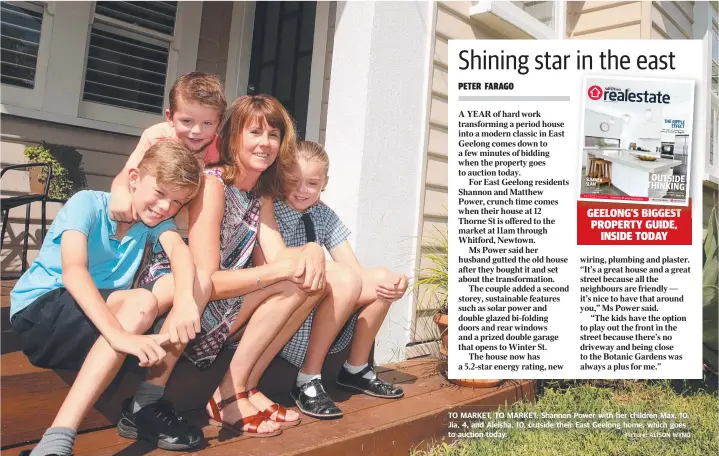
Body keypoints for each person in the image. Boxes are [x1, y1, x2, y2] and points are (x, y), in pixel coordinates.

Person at [137, 94, 326, 438]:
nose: (265, 143)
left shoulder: (260, 194)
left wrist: (311, 250)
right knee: (291, 281)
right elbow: (207, 282)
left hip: (224, 305)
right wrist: (280, 271)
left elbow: (280, 254)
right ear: (233, 137)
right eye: (254, 133)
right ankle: (227, 395)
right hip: (185, 311)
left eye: (273, 135)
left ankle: (247, 387)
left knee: (311, 283)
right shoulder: (213, 185)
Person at [10, 140, 207, 456]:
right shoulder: (87, 203)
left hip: (93, 321)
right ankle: (55, 443)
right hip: (42, 313)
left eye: (177, 202)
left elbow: (180, 253)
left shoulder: (152, 223)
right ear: (133, 179)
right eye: (159, 193)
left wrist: (185, 299)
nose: (165, 207)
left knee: (192, 282)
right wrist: (119, 336)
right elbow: (74, 271)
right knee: (142, 301)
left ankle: (146, 401)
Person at [269, 140, 409, 418]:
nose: (301, 190)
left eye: (312, 182)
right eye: (293, 180)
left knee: (383, 279)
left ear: (324, 183)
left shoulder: (322, 214)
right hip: (287, 309)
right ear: (281, 176)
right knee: (344, 279)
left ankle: (355, 368)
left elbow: (354, 271)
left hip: (320, 303)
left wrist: (396, 282)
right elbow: (276, 264)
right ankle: (307, 379)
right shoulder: (269, 209)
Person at [109, 71, 227, 225]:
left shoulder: (221, 149)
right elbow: (129, 173)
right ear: (170, 117)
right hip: (156, 211)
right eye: (187, 121)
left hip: (193, 216)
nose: (197, 131)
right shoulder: (156, 136)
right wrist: (120, 193)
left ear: (219, 123)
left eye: (207, 123)